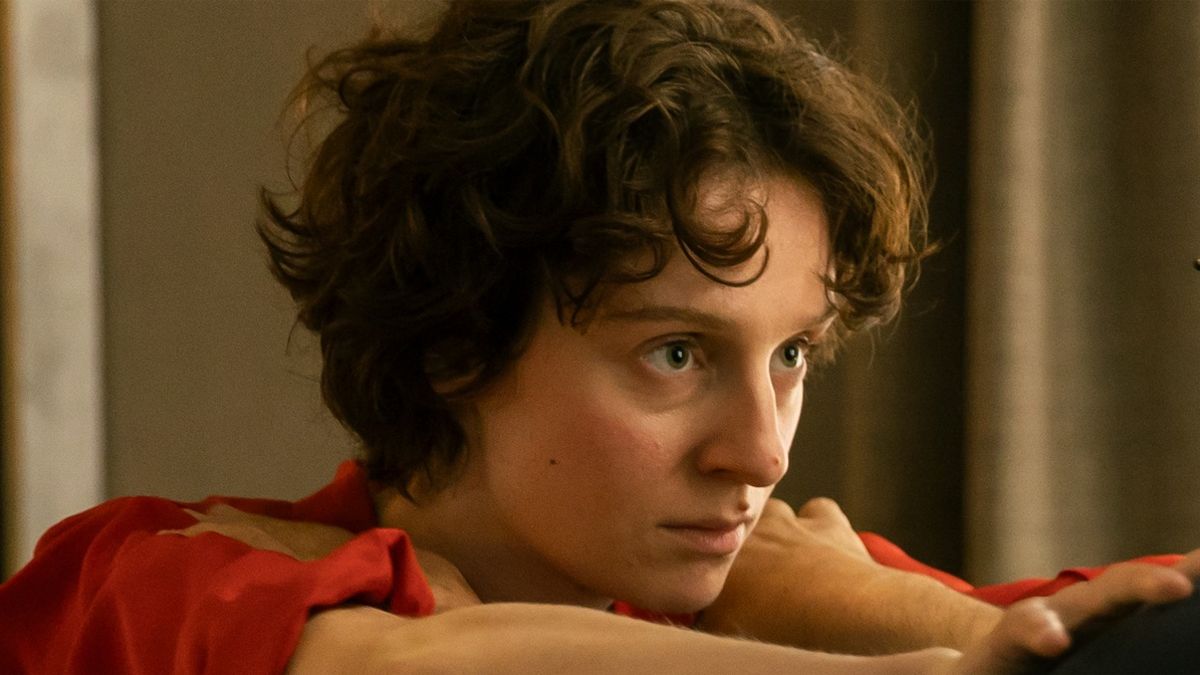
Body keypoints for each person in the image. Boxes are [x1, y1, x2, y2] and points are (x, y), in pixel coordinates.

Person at [1, 0, 1197, 673]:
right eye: (677, 354)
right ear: (456, 340)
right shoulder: (151, 579)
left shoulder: (796, 587)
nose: (763, 452)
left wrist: (900, 614)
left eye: (792, 356)